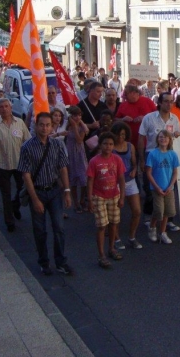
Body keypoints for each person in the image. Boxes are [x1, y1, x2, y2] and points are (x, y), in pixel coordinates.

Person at [18, 112, 73, 276]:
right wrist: (34, 199)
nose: (44, 128)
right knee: (40, 230)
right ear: (36, 125)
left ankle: (61, 262)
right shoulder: (27, 147)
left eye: (48, 125)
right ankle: (43, 261)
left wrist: (67, 191)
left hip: (54, 190)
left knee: (59, 228)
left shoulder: (57, 145)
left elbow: (63, 168)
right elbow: (25, 174)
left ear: (52, 126)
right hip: (38, 191)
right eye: (41, 125)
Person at [0, 98, 31, 232]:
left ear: (10, 107)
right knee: (6, 194)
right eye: (1, 107)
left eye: (6, 106)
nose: (4, 109)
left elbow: (28, 141)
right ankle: (9, 221)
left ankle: (15, 206)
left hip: (19, 163)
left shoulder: (19, 122)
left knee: (22, 189)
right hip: (2, 165)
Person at [138, 92, 180, 224]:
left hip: (168, 156)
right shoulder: (149, 118)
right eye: (166, 101)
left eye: (171, 101)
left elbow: (179, 137)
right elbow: (141, 138)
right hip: (152, 156)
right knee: (150, 187)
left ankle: (168, 219)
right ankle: (149, 216)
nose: (169, 104)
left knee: (169, 187)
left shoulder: (175, 119)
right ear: (160, 103)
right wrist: (141, 159)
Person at [87, 132, 126, 269]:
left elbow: (121, 178)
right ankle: (101, 254)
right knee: (101, 225)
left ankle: (111, 248)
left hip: (114, 195)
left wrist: (122, 196)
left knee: (114, 223)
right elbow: (90, 180)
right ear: (100, 144)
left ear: (113, 146)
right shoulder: (94, 161)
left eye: (110, 144)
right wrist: (90, 199)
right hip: (99, 196)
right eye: (105, 144)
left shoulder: (117, 160)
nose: (108, 147)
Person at [111, 122, 142, 249]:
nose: (121, 137)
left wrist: (135, 169)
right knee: (116, 214)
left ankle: (132, 237)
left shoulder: (130, 146)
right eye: (118, 135)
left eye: (123, 135)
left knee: (137, 211)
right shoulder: (110, 147)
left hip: (130, 180)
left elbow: (134, 162)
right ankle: (116, 238)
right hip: (115, 184)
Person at [146, 130, 180, 245]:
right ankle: (152, 227)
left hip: (168, 188)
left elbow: (175, 172)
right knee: (158, 210)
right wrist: (156, 187)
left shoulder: (173, 154)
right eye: (160, 137)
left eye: (165, 137)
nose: (163, 139)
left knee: (167, 211)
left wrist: (171, 186)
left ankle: (163, 232)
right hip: (156, 187)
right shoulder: (153, 154)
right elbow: (149, 173)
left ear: (169, 140)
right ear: (157, 139)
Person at [65, 105, 89, 213]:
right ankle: (76, 203)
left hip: (79, 154)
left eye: (79, 115)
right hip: (70, 154)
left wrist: (75, 127)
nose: (77, 118)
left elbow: (79, 140)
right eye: (75, 115)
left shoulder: (81, 128)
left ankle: (82, 199)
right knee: (73, 180)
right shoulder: (66, 126)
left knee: (84, 179)